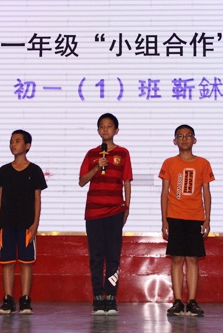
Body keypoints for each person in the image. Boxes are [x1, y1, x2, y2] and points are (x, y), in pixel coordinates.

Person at [79, 113, 132, 315]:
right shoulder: (92, 154)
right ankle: (97, 298)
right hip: (93, 212)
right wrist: (96, 168)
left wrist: (127, 206)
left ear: (116, 130)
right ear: (98, 130)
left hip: (115, 211)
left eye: (109, 126)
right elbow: (82, 181)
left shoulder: (123, 153)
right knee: (96, 257)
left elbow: (126, 181)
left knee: (113, 256)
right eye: (102, 126)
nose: (105, 129)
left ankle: (110, 297)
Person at [159, 124, 214, 317]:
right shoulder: (169, 163)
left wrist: (207, 219)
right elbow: (164, 193)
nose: (184, 139)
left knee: (192, 259)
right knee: (176, 259)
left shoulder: (203, 163)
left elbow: (206, 193)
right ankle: (177, 301)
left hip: (195, 217)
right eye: (180, 136)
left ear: (194, 140)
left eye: (188, 135)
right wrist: (164, 220)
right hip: (174, 216)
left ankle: (191, 301)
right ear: (174, 141)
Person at [0, 130, 48, 315]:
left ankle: (25, 300)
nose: (13, 145)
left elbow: (37, 199)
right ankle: (8, 300)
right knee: (7, 262)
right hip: (7, 223)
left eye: (17, 141)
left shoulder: (35, 170)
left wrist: (35, 224)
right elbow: (0, 197)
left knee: (26, 262)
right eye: (11, 141)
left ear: (27, 146)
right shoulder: (4, 170)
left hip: (26, 224)